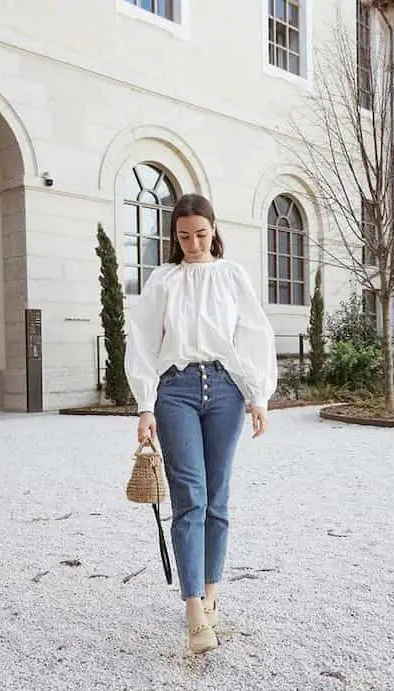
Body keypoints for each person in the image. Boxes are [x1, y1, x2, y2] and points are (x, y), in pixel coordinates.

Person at [125, 193, 277, 654]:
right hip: (175, 392)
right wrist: (145, 405)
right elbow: (145, 342)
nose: (193, 243)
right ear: (174, 235)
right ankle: (193, 611)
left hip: (226, 392)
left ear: (214, 230)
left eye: (201, 234)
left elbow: (253, 333)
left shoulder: (231, 275)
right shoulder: (163, 280)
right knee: (190, 497)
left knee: (218, 499)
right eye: (184, 235)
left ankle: (212, 597)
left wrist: (258, 395)